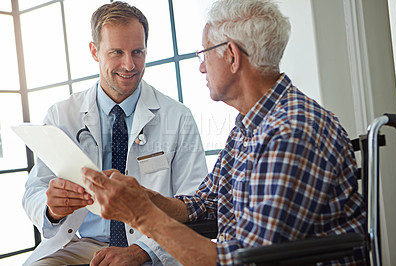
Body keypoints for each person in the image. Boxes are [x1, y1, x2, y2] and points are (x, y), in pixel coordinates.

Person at [82, 0, 367, 265]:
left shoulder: (291, 131)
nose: (201, 66)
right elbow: (206, 203)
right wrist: (142, 196)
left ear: (231, 56)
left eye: (205, 53)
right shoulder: (248, 126)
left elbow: (252, 259)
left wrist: (141, 214)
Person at [22, 2, 208, 266]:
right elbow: (35, 189)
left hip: (152, 245)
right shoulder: (61, 115)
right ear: (94, 51)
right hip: (81, 243)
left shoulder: (178, 117)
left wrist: (142, 251)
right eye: (117, 52)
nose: (129, 65)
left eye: (138, 52)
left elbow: (193, 203)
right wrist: (51, 209)